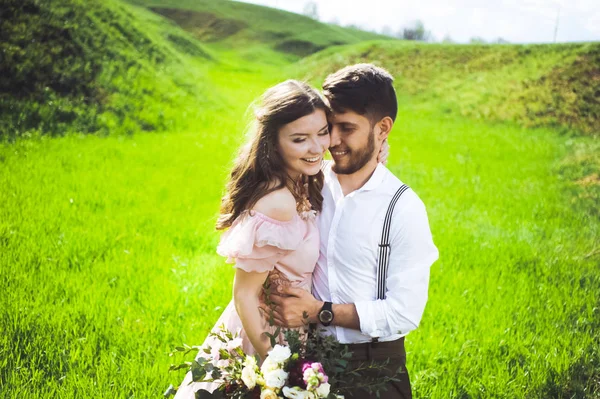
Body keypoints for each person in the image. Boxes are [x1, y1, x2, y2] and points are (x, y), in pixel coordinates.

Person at [266, 64, 439, 399]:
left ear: (383, 128)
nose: (333, 141)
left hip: (372, 367)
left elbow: (404, 312)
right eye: (330, 127)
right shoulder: (308, 182)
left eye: (347, 128)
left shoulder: (402, 208)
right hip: (302, 357)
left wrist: (319, 311)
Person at [173, 79, 331, 398]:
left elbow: (329, 165)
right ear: (273, 142)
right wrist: (274, 369)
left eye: (323, 132)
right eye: (300, 139)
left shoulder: (300, 180)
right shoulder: (278, 203)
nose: (316, 147)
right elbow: (244, 295)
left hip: (292, 328)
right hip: (264, 335)